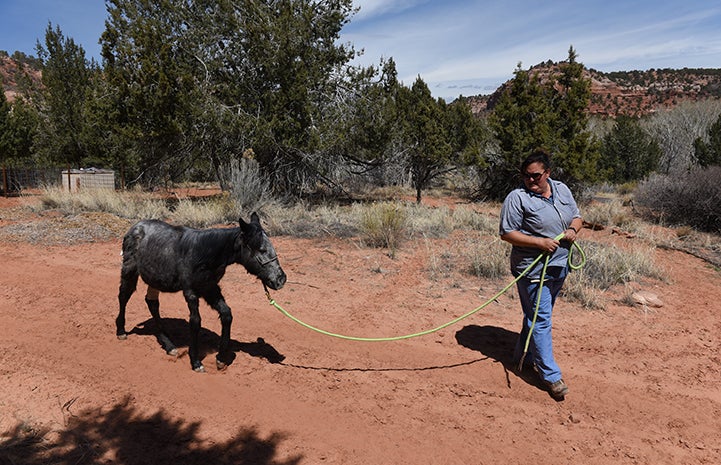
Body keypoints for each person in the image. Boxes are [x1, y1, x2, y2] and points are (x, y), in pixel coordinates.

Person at [499, 148, 583, 400]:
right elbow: (506, 233)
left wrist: (572, 230)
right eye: (526, 176)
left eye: (535, 175)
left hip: (559, 265)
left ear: (547, 173)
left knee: (535, 315)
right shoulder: (517, 198)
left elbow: (578, 217)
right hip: (531, 268)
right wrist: (540, 243)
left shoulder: (562, 189)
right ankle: (550, 375)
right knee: (541, 317)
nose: (530, 181)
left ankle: (520, 358)